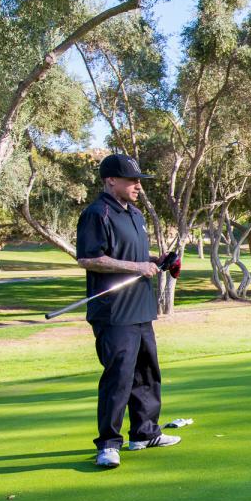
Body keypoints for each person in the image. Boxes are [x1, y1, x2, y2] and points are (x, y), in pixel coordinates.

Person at [75, 154, 180, 468]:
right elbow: (89, 259)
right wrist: (137, 266)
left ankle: (145, 432)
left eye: (139, 181)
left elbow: (132, 255)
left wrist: (157, 260)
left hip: (140, 307)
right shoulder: (96, 214)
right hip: (113, 311)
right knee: (118, 377)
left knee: (147, 373)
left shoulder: (134, 214)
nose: (138, 186)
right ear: (111, 181)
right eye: (132, 180)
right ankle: (108, 443)